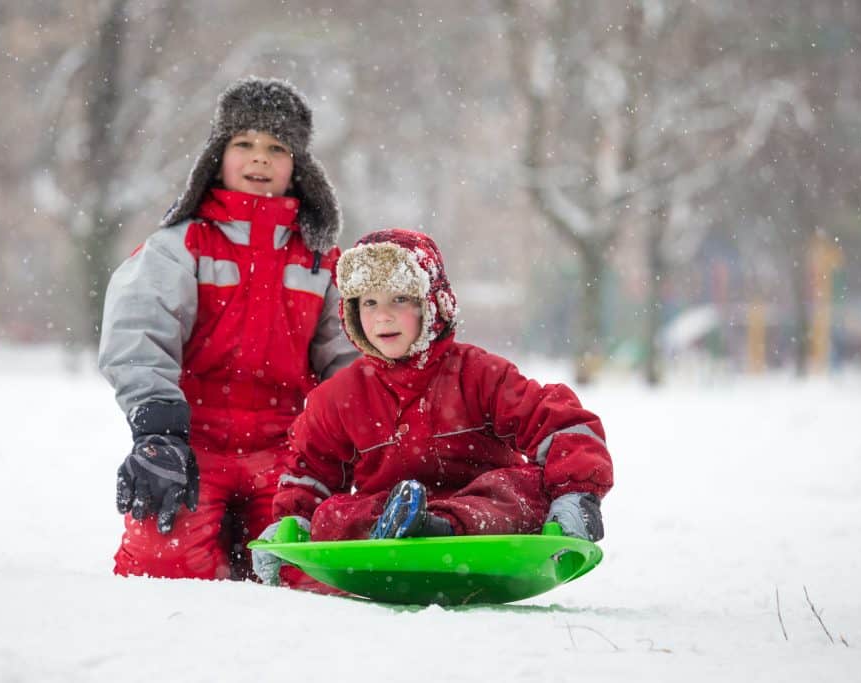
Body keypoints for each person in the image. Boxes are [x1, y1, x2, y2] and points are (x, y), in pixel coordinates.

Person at [98, 77, 358, 581]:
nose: (259, 158)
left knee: (311, 572)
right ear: (217, 157)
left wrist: (350, 441)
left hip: (288, 452)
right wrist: (156, 432)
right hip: (191, 445)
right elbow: (137, 334)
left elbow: (348, 360)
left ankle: (246, 540)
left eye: (276, 148)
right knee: (160, 567)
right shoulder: (180, 246)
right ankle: (217, 541)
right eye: (244, 144)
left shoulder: (323, 262)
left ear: (297, 168)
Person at [253, 229, 613, 585]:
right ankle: (399, 522)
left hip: (481, 515)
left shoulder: (478, 373)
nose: (383, 317)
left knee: (524, 489)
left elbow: (559, 422)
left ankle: (434, 525)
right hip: (387, 509)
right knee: (330, 515)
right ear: (351, 311)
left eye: (399, 300)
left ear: (431, 304)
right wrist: (292, 524)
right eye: (369, 303)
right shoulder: (341, 396)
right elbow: (310, 468)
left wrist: (576, 493)